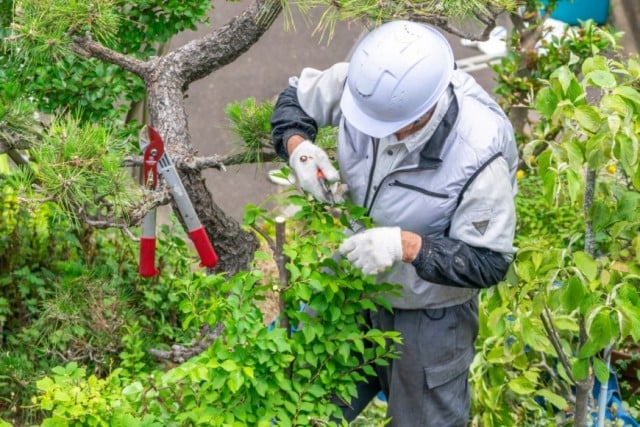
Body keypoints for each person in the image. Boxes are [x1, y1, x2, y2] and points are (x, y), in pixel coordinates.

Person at [270, 20, 518, 426]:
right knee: (302, 402)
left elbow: (489, 261)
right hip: (350, 286)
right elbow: (295, 99)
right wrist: (299, 148)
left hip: (429, 316)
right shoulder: (367, 86)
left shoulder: (477, 150)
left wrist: (405, 246)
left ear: (423, 112)